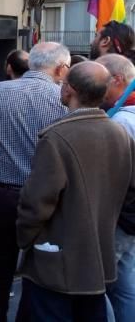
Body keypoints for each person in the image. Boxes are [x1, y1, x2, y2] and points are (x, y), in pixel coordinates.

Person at [17, 61, 135, 321]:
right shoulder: (121, 134)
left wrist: (25, 238)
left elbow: (36, 203)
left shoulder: (57, 138)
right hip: (99, 262)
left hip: (56, 263)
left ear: (69, 89)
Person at [0, 42, 70, 320]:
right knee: (40, 269)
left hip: (2, 194)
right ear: (61, 68)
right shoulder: (61, 97)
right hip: (47, 198)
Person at [94, 54, 135, 322]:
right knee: (125, 281)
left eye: (101, 81)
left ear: (118, 80)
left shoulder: (121, 122)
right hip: (129, 215)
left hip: (121, 214)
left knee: (102, 283)